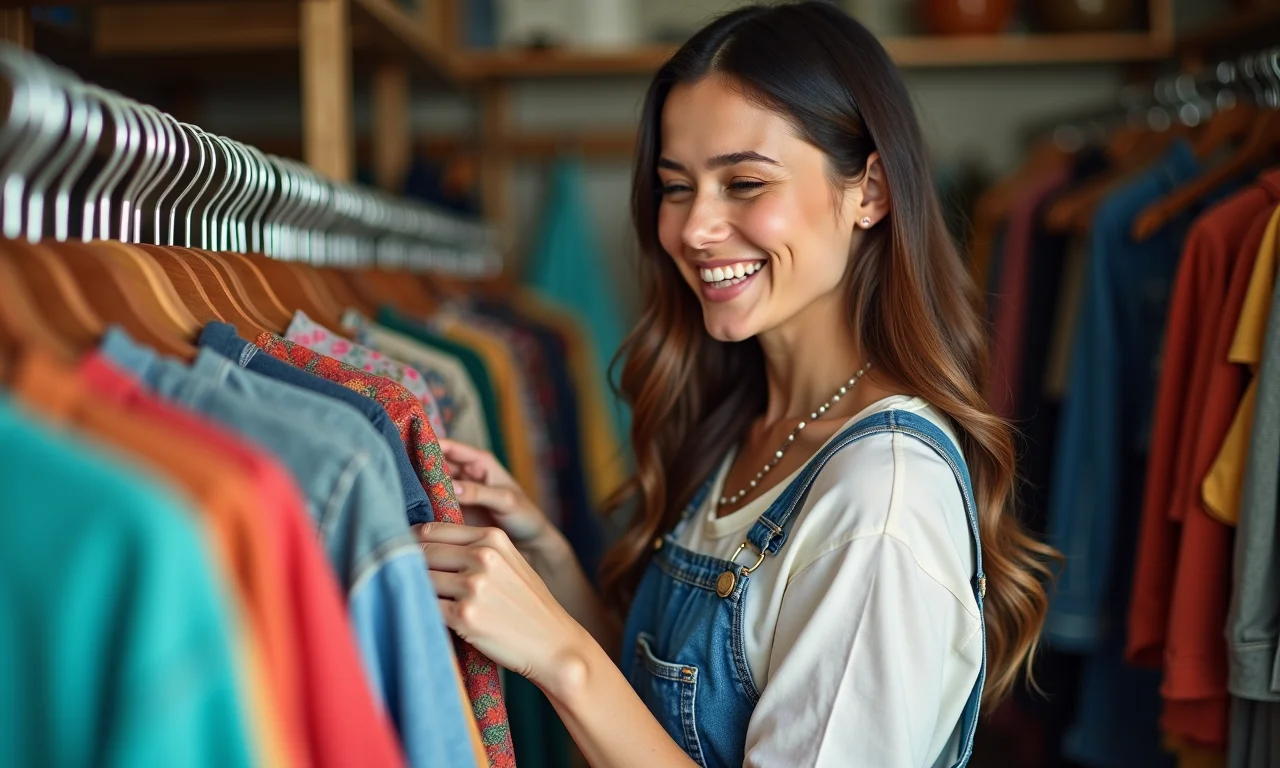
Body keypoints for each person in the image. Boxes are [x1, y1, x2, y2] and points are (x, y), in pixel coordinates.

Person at [415, 3, 1056, 766]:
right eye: (676, 187)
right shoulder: (751, 418)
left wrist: (565, 660)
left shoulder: (881, 500)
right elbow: (681, 712)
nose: (692, 229)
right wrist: (549, 563)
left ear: (871, 192)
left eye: (745, 183)